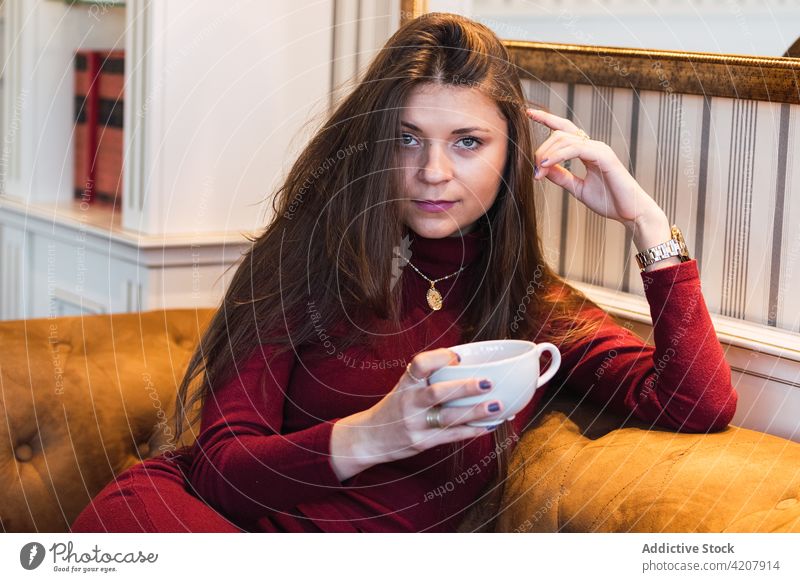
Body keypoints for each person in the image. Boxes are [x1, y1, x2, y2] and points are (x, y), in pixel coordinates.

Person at [71, 12, 737, 533]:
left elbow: (696, 402)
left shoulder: (530, 306)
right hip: (185, 523)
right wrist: (378, 433)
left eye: (468, 142)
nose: (433, 173)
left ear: (511, 155)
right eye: (406, 137)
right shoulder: (303, 260)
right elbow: (219, 471)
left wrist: (646, 222)